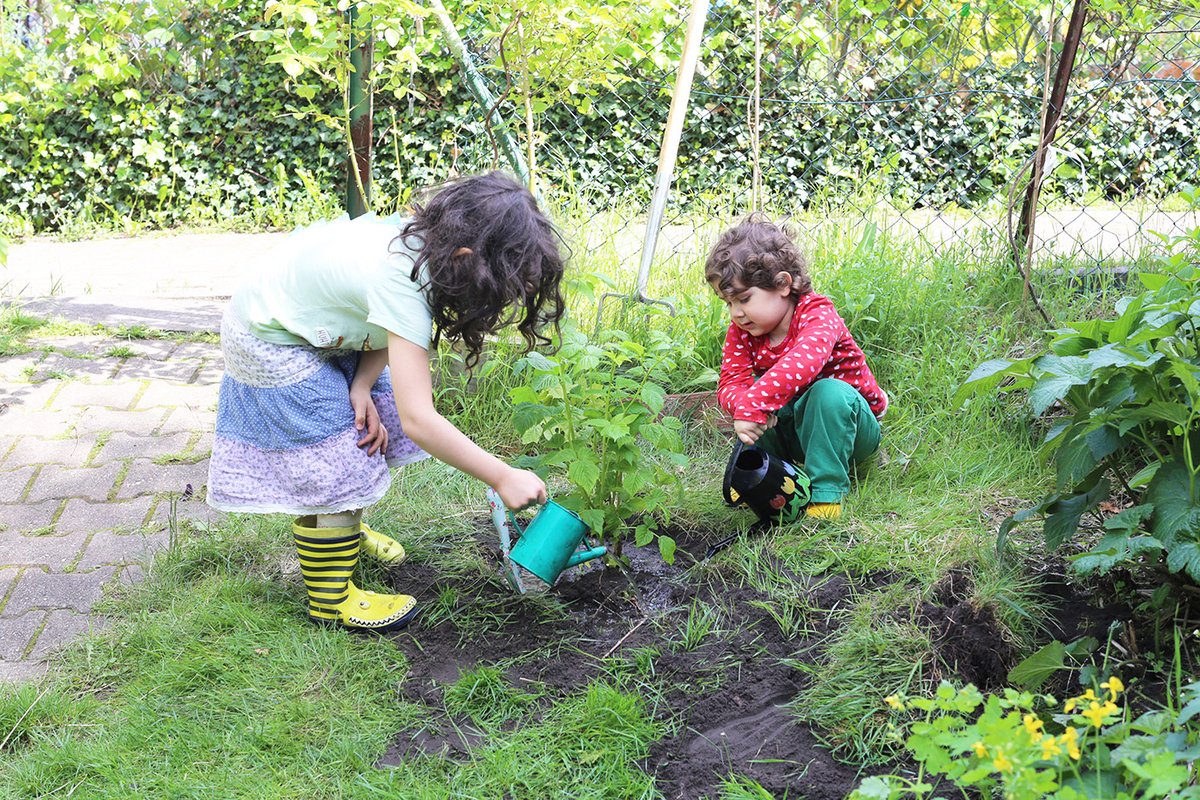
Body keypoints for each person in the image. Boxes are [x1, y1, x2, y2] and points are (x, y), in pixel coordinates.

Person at [206, 171, 566, 631]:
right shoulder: (400, 276)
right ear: (465, 257)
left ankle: (342, 532)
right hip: (269, 338)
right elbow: (419, 420)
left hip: (315, 324)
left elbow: (378, 318)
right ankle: (331, 599)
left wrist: (361, 385)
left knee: (358, 431)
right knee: (340, 462)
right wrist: (502, 475)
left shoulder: (423, 248)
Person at [705, 215, 887, 521]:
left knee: (826, 393)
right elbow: (730, 382)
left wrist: (754, 405)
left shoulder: (817, 314)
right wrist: (745, 408)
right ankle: (762, 478)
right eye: (728, 303)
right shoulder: (743, 331)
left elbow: (802, 364)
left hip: (850, 431)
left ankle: (826, 492)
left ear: (783, 284)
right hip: (797, 427)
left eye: (744, 298)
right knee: (754, 397)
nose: (736, 313)